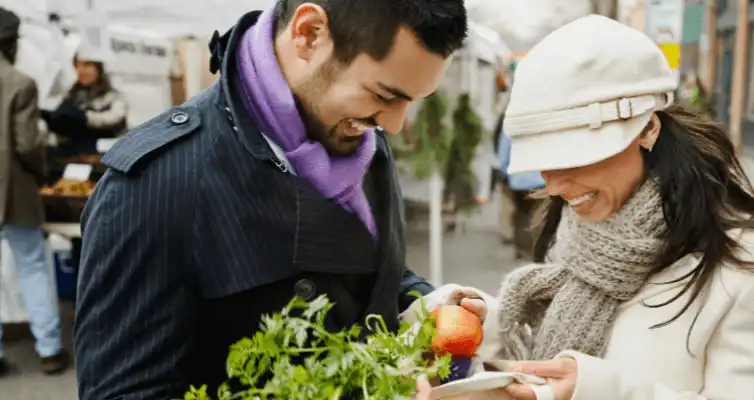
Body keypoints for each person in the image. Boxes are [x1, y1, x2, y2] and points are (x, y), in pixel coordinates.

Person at [73, 0, 469, 398]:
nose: (394, 125)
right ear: (309, 34)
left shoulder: (361, 137)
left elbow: (370, 272)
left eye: (413, 101)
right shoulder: (156, 183)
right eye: (383, 94)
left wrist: (429, 304)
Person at [413, 15, 754, 399]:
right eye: (544, 162)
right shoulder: (578, 223)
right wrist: (487, 324)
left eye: (575, 157)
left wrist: (595, 391)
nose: (553, 185)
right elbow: (568, 327)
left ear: (648, 129)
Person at [0, 7, 69, 377]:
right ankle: (49, 351)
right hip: (14, 192)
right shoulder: (20, 83)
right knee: (32, 267)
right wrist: (43, 171)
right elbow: (27, 145)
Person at [42, 52, 128, 158]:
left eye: (86, 65)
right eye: (78, 65)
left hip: (102, 156)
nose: (81, 70)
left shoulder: (113, 96)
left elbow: (113, 118)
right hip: (72, 155)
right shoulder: (72, 94)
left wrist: (85, 117)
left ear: (99, 68)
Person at [496, 125, 546, 260]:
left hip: (518, 179)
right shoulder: (543, 119)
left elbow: (503, 151)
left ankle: (522, 250)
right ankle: (538, 250)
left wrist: (503, 171)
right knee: (541, 215)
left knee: (521, 215)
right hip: (541, 178)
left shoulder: (511, 121)